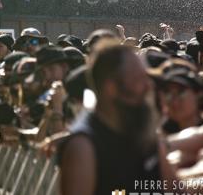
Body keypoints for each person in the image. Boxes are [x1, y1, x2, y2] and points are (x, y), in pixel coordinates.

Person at [59, 42, 175, 195]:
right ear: (111, 88)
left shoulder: (145, 132)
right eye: (138, 79)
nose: (148, 86)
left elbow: (175, 189)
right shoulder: (83, 147)